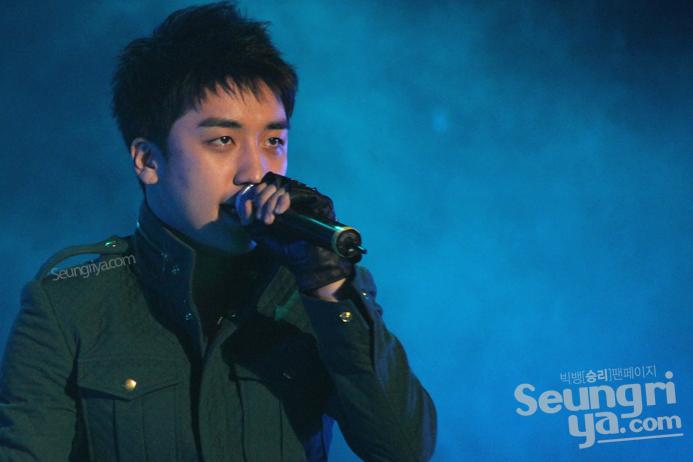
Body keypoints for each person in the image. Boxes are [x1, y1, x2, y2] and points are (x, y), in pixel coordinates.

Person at [0, 2, 437, 461]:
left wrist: (328, 287)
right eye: (223, 140)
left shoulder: (313, 292)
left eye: (274, 141)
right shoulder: (70, 305)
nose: (256, 171)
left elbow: (404, 449)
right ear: (147, 160)